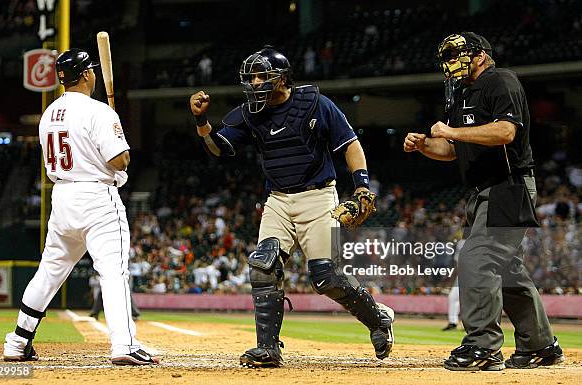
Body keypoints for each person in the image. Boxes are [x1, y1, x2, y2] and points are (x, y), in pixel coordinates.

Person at [190, 46, 394, 368]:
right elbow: (220, 147)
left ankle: (377, 320)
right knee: (263, 265)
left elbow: (349, 144)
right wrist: (202, 120)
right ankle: (268, 349)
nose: (255, 83)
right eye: (251, 78)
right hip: (278, 200)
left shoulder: (316, 103)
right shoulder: (249, 113)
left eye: (262, 76)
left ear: (282, 77)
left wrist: (362, 186)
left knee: (326, 277)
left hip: (319, 197)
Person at [404, 32, 564, 371]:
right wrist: (424, 146)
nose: (449, 63)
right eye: (445, 56)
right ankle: (540, 345)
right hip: (482, 191)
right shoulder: (461, 94)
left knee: (477, 259)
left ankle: (483, 348)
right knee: (507, 272)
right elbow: (450, 150)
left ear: (479, 55)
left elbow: (506, 132)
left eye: (456, 54)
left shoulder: (499, 80)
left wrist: (451, 133)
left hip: (509, 184)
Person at [2, 48, 158, 366]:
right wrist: (120, 146)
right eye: (92, 70)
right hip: (96, 198)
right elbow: (119, 159)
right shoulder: (99, 112)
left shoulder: (49, 114)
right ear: (87, 74)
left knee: (49, 273)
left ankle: (18, 341)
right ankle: (124, 345)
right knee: (113, 272)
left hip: (61, 197)